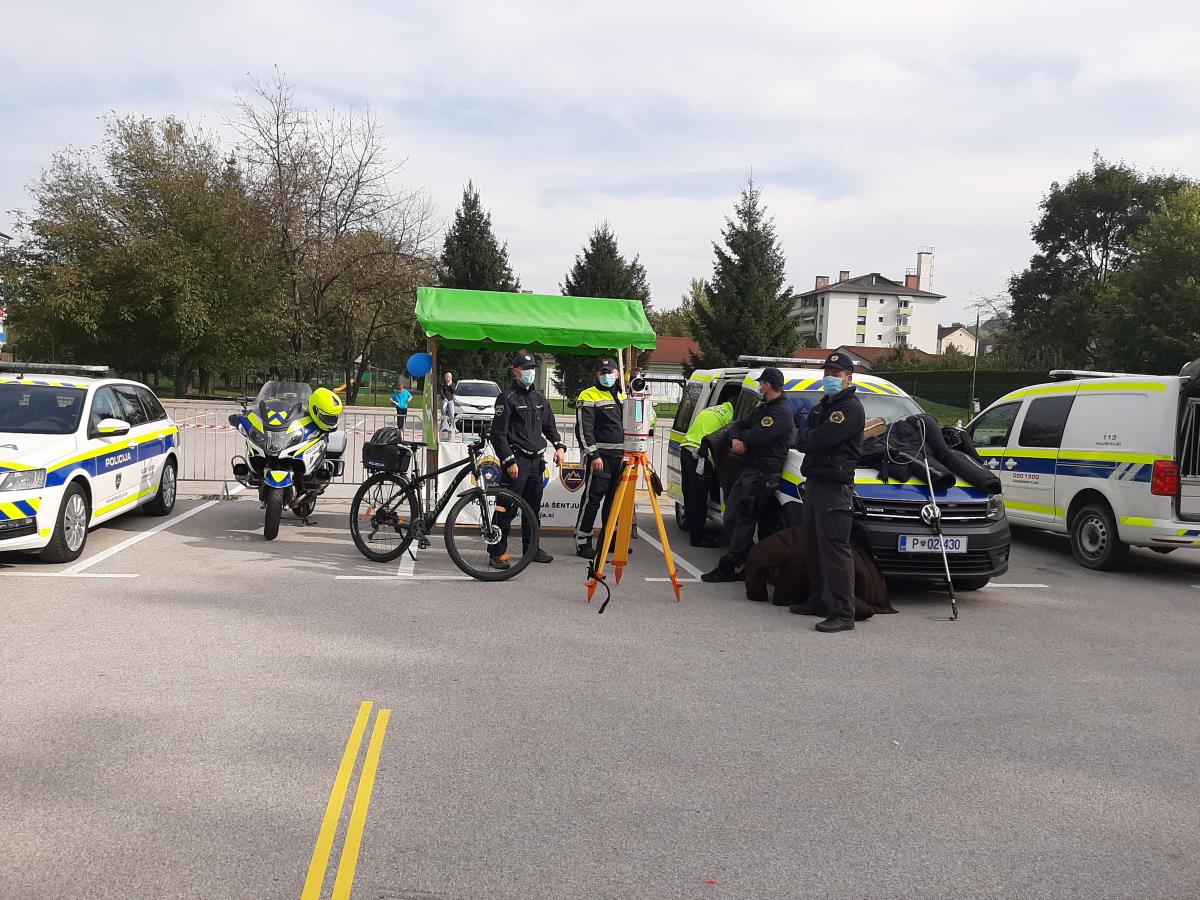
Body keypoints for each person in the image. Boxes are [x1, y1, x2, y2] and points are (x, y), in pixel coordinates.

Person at [789, 351, 866, 633]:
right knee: (814, 546)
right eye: (827, 374)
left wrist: (808, 436)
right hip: (816, 481)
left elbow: (818, 438)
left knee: (835, 549)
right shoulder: (825, 405)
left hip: (834, 486)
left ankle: (844, 612)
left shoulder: (849, 408)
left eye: (835, 374)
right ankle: (819, 600)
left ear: (848, 378)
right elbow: (802, 437)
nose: (829, 378)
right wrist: (808, 436)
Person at [701, 368, 795, 583]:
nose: (760, 387)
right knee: (732, 515)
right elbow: (740, 425)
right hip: (751, 468)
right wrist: (736, 438)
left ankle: (732, 565)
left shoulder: (780, 412)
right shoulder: (764, 407)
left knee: (743, 517)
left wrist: (742, 438)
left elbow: (756, 436)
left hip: (764, 470)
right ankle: (748, 560)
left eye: (761, 384)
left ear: (767, 385)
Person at [488, 350, 566, 569]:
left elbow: (550, 427)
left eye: (532, 369)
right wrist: (508, 461)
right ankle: (496, 553)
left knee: (532, 511)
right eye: (525, 369)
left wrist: (559, 446)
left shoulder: (539, 399)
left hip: (536, 463)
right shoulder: (506, 398)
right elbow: (498, 435)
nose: (530, 372)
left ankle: (532, 549)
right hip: (517, 463)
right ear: (515, 372)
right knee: (505, 509)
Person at [574, 358, 626, 558]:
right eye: (603, 372)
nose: (607, 376)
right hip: (600, 459)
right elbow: (584, 429)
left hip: (621, 458)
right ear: (597, 374)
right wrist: (593, 454)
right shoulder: (588, 395)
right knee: (592, 500)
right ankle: (582, 541)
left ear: (617, 373)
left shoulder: (623, 395)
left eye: (610, 372)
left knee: (614, 502)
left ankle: (609, 540)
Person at [677, 401, 734, 547]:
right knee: (699, 497)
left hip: (686, 448)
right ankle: (698, 538)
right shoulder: (730, 416)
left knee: (689, 493)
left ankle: (691, 526)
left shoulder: (711, 409)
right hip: (700, 454)